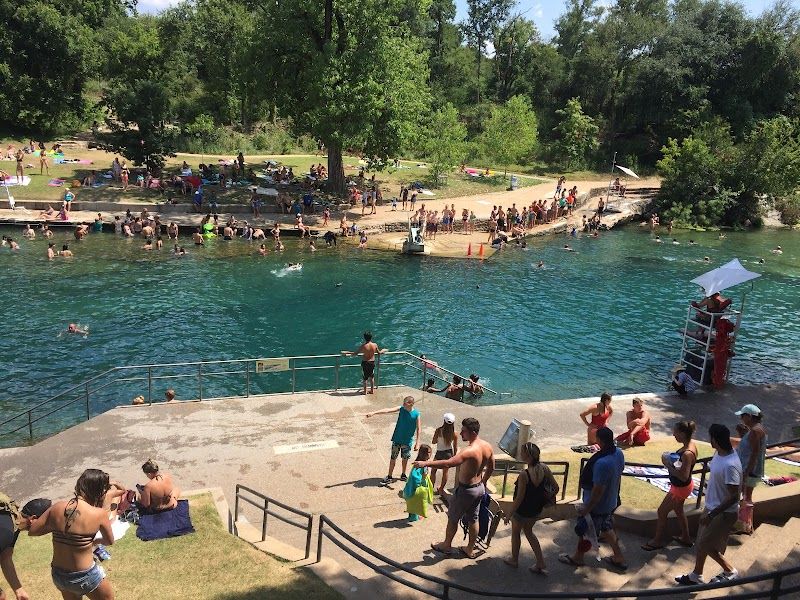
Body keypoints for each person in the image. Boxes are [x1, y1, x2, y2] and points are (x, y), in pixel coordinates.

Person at [28, 469, 119, 599]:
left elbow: (33, 531)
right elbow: (109, 541)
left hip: (59, 574)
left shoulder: (57, 507)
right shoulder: (98, 514)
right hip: (85, 576)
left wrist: (60, 530)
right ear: (98, 491)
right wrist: (94, 541)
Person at [414, 417, 495, 559]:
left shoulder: (468, 451)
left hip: (466, 491)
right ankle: (469, 549)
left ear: (473, 432)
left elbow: (448, 463)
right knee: (473, 519)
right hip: (478, 489)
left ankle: (446, 545)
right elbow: (491, 467)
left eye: (464, 431)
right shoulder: (487, 446)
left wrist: (425, 464)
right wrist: (484, 482)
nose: (461, 433)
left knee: (453, 518)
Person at [675, 424, 742, 585]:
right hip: (711, 507)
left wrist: (712, 514)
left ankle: (730, 570)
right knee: (701, 543)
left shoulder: (731, 464)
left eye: (710, 436)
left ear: (715, 440)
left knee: (705, 544)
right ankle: (696, 575)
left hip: (722, 513)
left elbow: (734, 497)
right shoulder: (719, 454)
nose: (708, 439)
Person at [559, 426, 626, 570]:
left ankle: (578, 558)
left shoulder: (602, 463)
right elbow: (619, 472)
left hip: (597, 507)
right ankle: (619, 557)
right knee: (607, 529)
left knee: (585, 532)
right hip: (610, 502)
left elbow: (597, 491)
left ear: (600, 441)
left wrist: (587, 508)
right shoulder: (619, 453)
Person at [503, 442, 559, 573]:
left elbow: (519, 498)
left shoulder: (524, 475)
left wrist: (509, 514)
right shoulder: (545, 468)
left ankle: (514, 560)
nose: (520, 454)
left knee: (516, 533)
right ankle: (540, 562)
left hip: (522, 510)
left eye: (522, 452)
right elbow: (556, 488)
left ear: (527, 455)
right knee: (529, 533)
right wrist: (545, 499)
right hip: (535, 510)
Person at [642, 420, 698, 550]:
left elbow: (683, 476)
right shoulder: (690, 445)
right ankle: (686, 538)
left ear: (683, 434)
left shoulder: (687, 453)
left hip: (680, 488)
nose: (673, 434)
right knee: (679, 511)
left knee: (661, 512)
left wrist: (667, 464)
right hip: (682, 486)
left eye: (676, 432)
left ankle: (657, 541)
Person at [1, 494, 52, 600]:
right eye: (46, 524)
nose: (45, 530)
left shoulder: (14, 524)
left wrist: (18, 590)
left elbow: (5, 559)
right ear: (33, 519)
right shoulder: (6, 532)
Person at [365, 395, 421, 485]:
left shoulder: (416, 414)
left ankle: (403, 474)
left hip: (407, 442)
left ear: (411, 404)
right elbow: (387, 410)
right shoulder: (401, 409)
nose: (403, 404)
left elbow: (419, 428)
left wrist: (417, 442)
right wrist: (374, 412)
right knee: (393, 458)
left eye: (405, 403)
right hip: (397, 439)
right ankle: (389, 476)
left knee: (405, 459)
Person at [733, 404, 767, 535]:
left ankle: (745, 526)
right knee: (747, 498)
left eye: (742, 416)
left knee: (745, 498)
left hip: (750, 471)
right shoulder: (757, 429)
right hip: (752, 470)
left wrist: (746, 472)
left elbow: (754, 453)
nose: (741, 418)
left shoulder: (754, 431)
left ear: (749, 416)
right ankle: (747, 526)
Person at [403, 445, 434, 522]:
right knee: (416, 502)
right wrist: (420, 481)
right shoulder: (421, 465)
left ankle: (413, 515)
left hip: (415, 487)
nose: (431, 454)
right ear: (424, 453)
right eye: (429, 452)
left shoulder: (421, 463)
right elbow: (414, 476)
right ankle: (413, 517)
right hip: (417, 487)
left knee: (414, 502)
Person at [430, 413, 458, 495]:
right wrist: (454, 457)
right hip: (449, 453)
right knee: (445, 472)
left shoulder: (439, 430)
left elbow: (433, 441)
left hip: (439, 452)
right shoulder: (454, 433)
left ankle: (431, 487)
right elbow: (455, 447)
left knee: (433, 471)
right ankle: (441, 488)